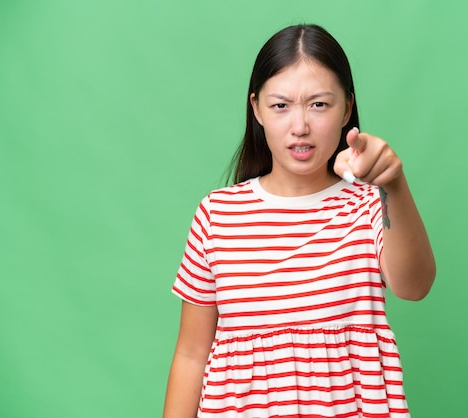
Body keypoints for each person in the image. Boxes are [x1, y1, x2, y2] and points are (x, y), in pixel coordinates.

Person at [163, 23, 435, 418]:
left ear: (347, 108)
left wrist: (393, 183)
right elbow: (191, 355)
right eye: (281, 105)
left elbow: (415, 286)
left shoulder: (370, 207)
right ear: (255, 108)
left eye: (319, 104)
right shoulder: (217, 215)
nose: (300, 126)